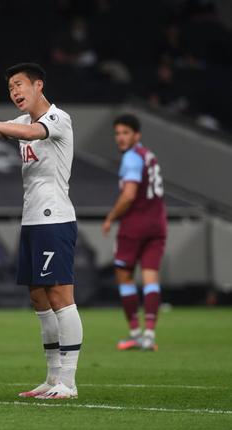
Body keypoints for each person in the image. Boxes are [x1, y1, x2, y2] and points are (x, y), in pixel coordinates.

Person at [0, 63, 83, 399]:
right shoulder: (21, 122)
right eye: (10, 89)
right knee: (38, 298)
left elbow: (31, 134)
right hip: (33, 219)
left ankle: (69, 380)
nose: (15, 92)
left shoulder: (57, 118)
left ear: (38, 85)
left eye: (20, 85)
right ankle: (51, 378)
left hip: (55, 217)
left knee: (61, 296)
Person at [102, 114, 167, 351]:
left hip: (135, 224)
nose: (120, 138)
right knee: (151, 278)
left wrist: (110, 217)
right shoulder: (148, 155)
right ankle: (149, 335)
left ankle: (135, 332)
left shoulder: (131, 158)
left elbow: (129, 194)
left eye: (125, 133)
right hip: (158, 223)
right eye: (118, 133)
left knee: (124, 275)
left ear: (136, 135)